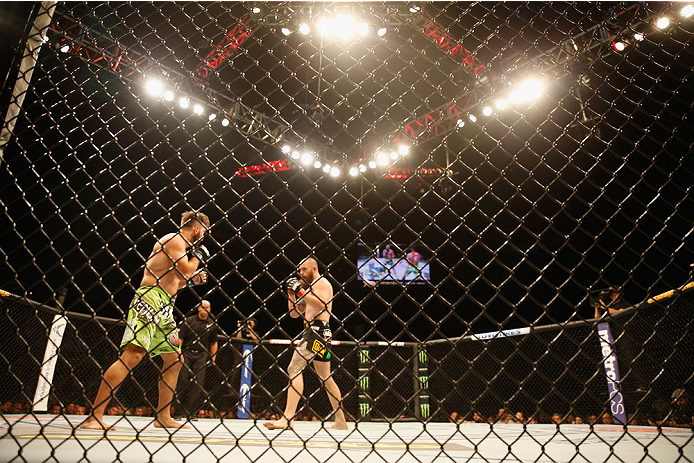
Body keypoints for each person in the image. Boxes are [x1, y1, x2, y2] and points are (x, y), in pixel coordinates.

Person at [79, 211, 210, 430]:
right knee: (133, 355)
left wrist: (192, 281)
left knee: (174, 360)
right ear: (197, 229)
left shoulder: (179, 248)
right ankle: (95, 416)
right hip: (149, 299)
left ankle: (163, 417)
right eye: (204, 231)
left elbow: (176, 282)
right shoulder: (174, 240)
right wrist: (199, 256)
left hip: (166, 306)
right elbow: (186, 269)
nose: (204, 237)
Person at [264, 257, 347, 430]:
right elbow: (294, 313)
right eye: (299, 270)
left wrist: (300, 291)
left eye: (303, 270)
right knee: (326, 378)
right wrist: (292, 293)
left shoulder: (322, 283)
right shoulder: (309, 289)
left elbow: (322, 304)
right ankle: (341, 422)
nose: (300, 273)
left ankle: (288, 418)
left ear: (314, 269)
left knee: (294, 368)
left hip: (316, 332)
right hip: (319, 334)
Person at [173, 300, 219, 421]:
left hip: (202, 355)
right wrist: (178, 354)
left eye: (208, 308)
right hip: (187, 353)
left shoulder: (212, 324)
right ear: (199, 308)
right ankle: (177, 412)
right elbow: (180, 338)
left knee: (197, 384)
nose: (206, 310)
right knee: (182, 381)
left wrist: (213, 358)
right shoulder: (189, 321)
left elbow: (214, 343)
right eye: (204, 307)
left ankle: (191, 413)